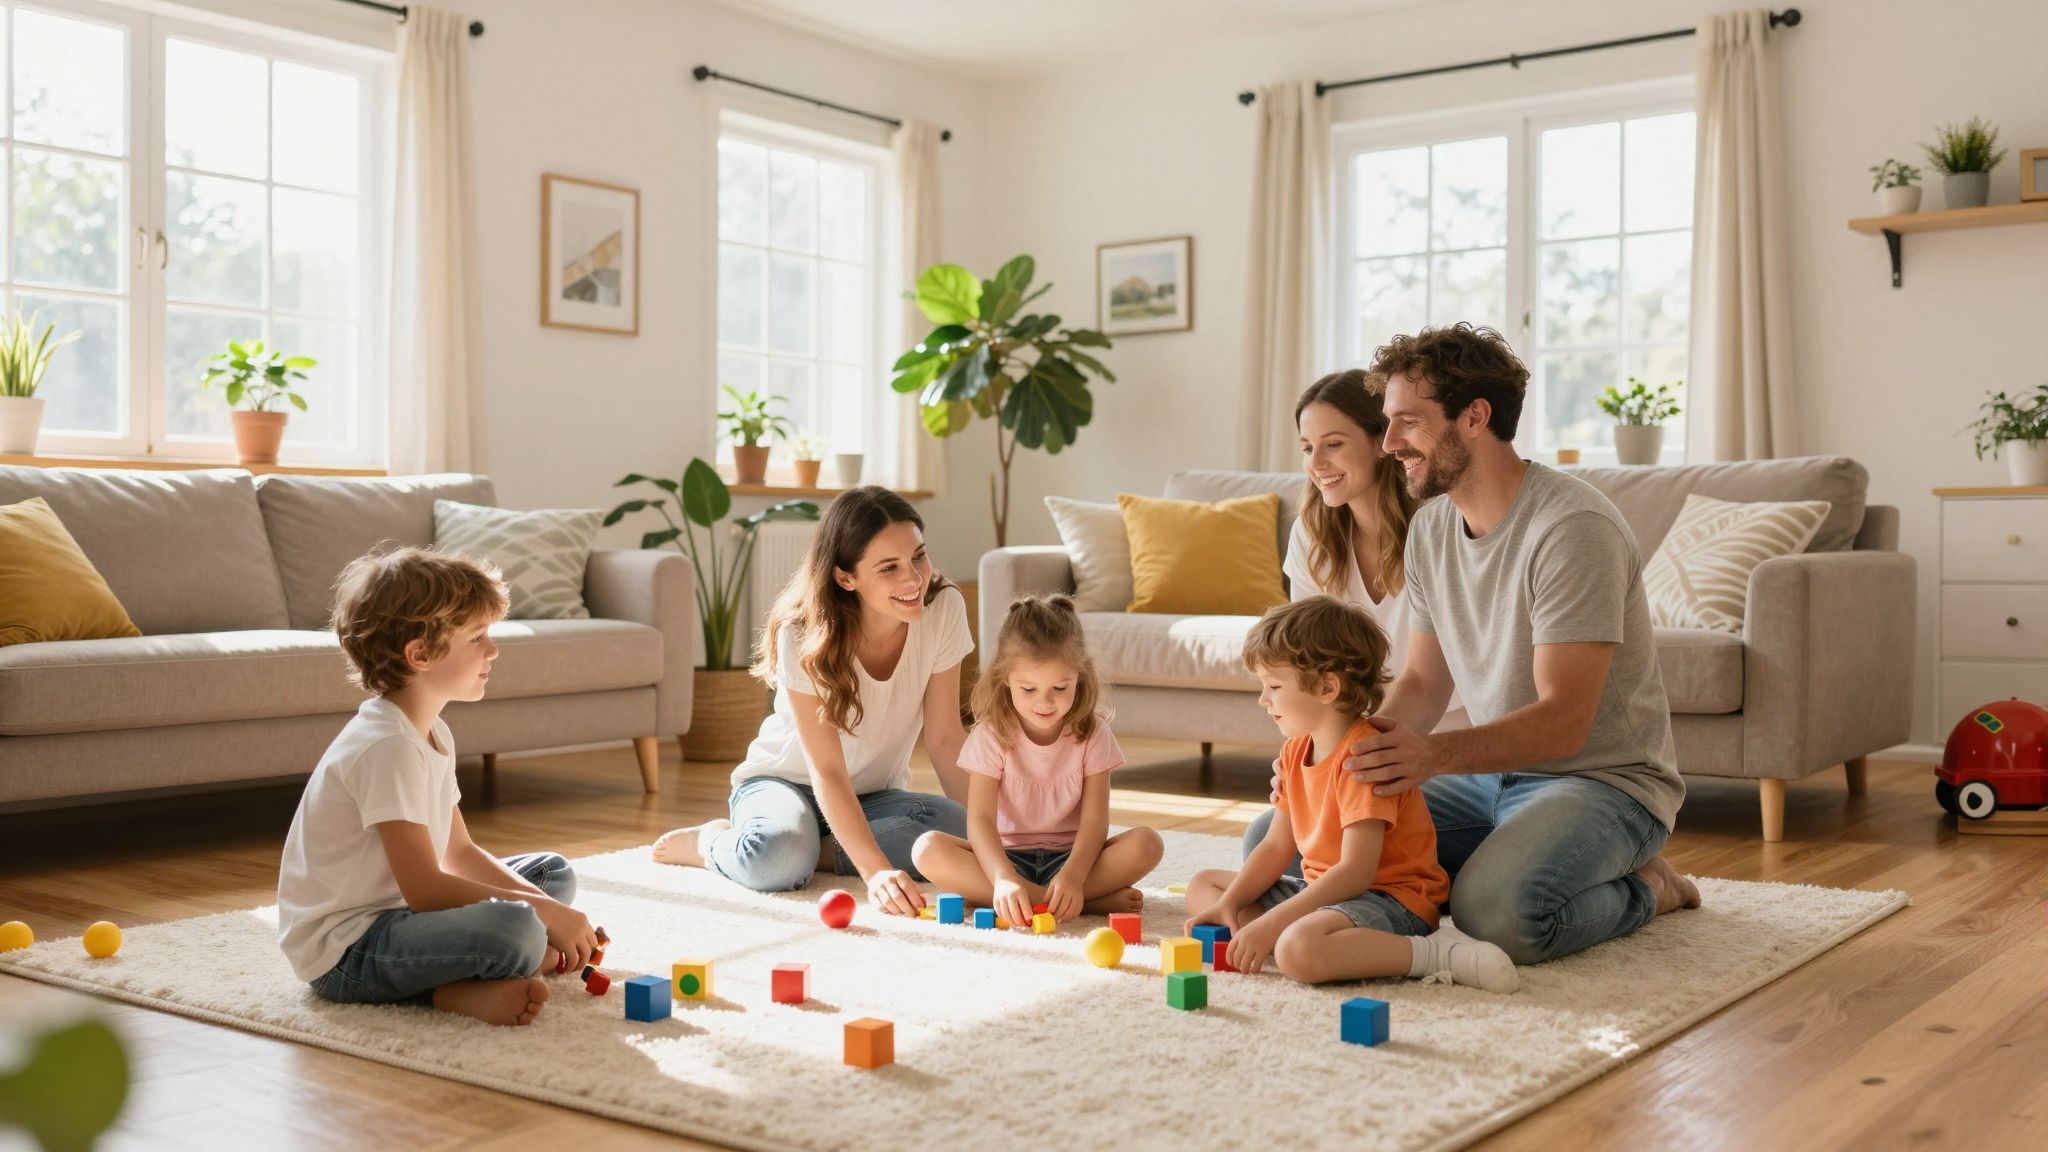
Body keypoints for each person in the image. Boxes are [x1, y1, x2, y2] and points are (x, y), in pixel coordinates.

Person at [1345, 322, 1700, 966]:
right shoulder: (1430, 529)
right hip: (1492, 778)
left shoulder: (1571, 527)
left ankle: (1649, 887)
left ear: (1475, 416)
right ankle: (1477, 868)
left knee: (1500, 915)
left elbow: (1565, 721)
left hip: (1604, 784)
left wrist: (1430, 757)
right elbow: (1425, 684)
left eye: (1408, 423)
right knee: (1300, 838)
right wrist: (1348, 757)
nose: (1389, 443)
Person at [277, 547, 596, 1027]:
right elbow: (426, 888)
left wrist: (550, 907)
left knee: (552, 876)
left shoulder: (432, 731)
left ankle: (509, 959)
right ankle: (451, 992)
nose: (493, 650)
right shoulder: (386, 746)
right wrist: (542, 917)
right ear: (420, 654)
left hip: (400, 914)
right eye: (477, 637)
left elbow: (460, 852)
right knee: (517, 927)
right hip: (348, 952)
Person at [652, 487, 971, 917]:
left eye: (918, 556)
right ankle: (712, 842)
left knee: (960, 828)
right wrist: (874, 871)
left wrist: (996, 845)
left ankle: (812, 849)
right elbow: (827, 768)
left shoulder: (943, 606)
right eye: (889, 568)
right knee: (776, 859)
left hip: (873, 796)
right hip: (784, 783)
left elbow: (946, 739)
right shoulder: (803, 631)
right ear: (846, 577)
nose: (914, 579)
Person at [1185, 597, 1516, 991]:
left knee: (1298, 952)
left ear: (1327, 687)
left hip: (1389, 899)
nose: (1263, 699)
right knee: (1205, 887)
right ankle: (1302, 936)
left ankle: (1438, 952)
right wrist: (1230, 903)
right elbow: (1276, 848)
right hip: (1324, 893)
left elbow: (1356, 872)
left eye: (1273, 686)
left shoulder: (1363, 758)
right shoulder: (1294, 750)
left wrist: (1273, 922)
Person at [911, 594, 1164, 926]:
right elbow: (982, 823)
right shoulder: (990, 735)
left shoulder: (1093, 734)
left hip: (1075, 860)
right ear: (1005, 678)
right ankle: (1076, 902)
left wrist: (1073, 876)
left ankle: (1044, 897)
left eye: (1060, 687)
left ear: (1081, 675)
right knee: (927, 850)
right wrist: (1002, 877)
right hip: (1006, 859)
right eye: (1028, 689)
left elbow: (1093, 823)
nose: (1045, 703)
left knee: (1147, 844)